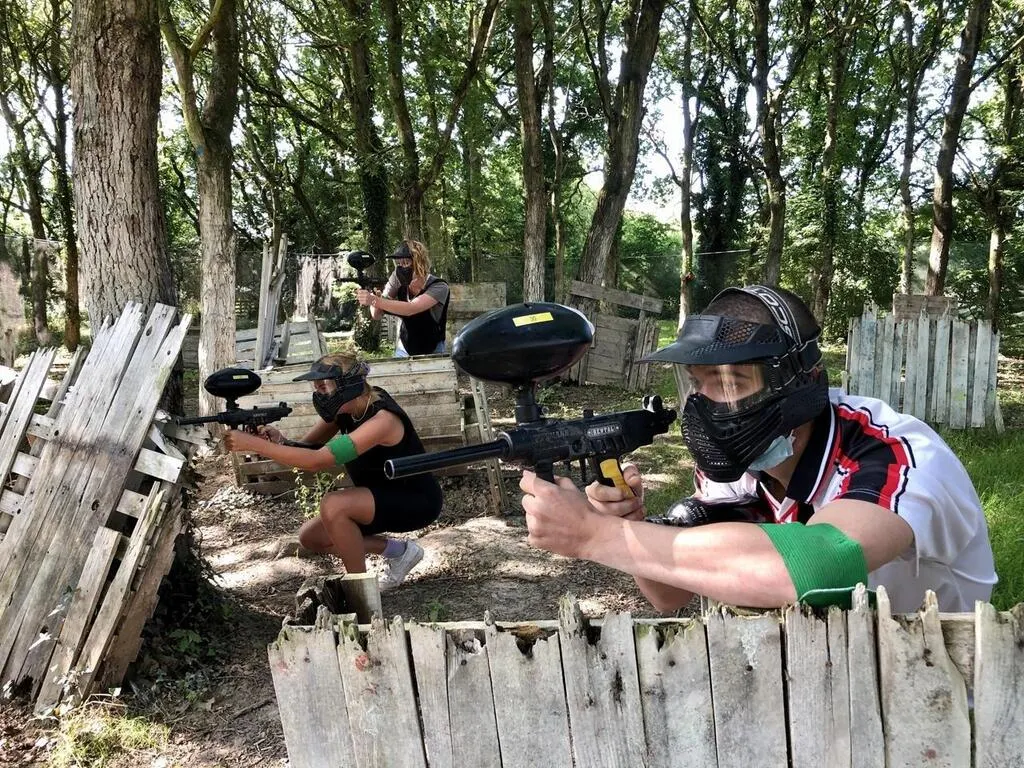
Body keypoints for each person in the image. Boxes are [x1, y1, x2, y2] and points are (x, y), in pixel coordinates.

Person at [519, 285, 997, 614]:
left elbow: (818, 564)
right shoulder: (738, 463)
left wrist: (595, 535)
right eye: (699, 383)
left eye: (733, 382)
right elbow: (670, 596)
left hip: (938, 696)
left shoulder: (893, 453)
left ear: (798, 382)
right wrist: (631, 524)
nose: (708, 404)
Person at [222, 353, 443, 591]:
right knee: (312, 537)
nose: (319, 395)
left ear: (348, 385)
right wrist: (280, 441)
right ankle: (400, 552)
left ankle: (361, 593)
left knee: (334, 505)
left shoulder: (382, 421)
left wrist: (255, 445)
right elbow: (309, 447)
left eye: (324, 387)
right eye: (317, 388)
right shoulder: (348, 408)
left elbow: (316, 461)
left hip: (416, 501)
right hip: (378, 497)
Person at [357, 240, 451, 357]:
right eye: (399, 264)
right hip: (405, 347)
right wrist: (372, 295)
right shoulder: (396, 278)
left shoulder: (439, 286)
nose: (401, 268)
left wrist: (374, 300)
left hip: (433, 348)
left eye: (406, 263)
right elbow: (377, 315)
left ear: (419, 263)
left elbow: (411, 309)